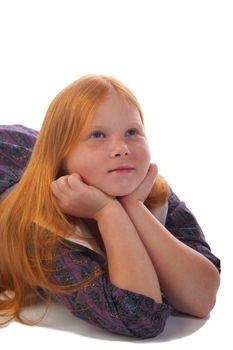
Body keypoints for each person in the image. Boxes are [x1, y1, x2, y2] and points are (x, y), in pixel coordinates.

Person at [0, 75, 220, 339]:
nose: (121, 148)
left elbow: (201, 299)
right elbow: (140, 317)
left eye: (132, 132)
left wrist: (132, 206)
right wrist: (108, 212)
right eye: (97, 135)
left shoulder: (143, 187)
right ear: (62, 159)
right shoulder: (42, 225)